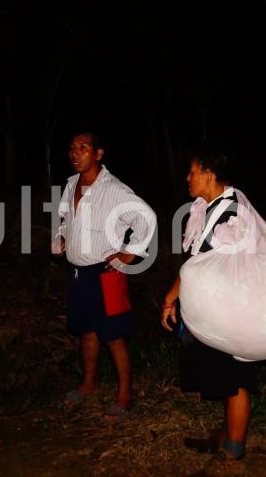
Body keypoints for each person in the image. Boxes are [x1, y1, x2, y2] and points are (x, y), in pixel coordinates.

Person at [55, 131, 156, 422]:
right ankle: (89, 384)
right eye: (72, 148)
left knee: (113, 336)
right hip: (76, 272)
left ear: (98, 154)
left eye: (83, 148)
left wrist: (128, 254)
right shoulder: (71, 184)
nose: (75, 153)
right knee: (87, 332)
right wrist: (62, 238)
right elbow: (65, 219)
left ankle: (125, 395)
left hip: (104, 272)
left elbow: (146, 218)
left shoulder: (113, 190)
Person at [161, 150, 255, 462]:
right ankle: (227, 435)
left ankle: (234, 449)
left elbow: (205, 263)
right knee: (226, 375)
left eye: (192, 171)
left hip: (231, 307)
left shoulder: (230, 212)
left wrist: (172, 296)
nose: (187, 178)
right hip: (218, 306)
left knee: (236, 377)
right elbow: (197, 262)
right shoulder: (209, 208)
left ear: (209, 174)